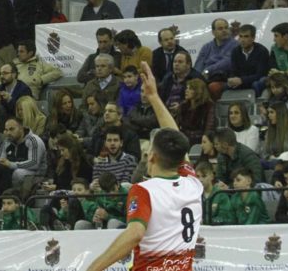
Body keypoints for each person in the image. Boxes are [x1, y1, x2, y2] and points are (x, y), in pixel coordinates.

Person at [85, 62, 202, 271]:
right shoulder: (192, 183)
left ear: (152, 157)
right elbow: (177, 139)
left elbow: (135, 234)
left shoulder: (144, 190)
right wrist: (154, 98)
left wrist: (93, 268)